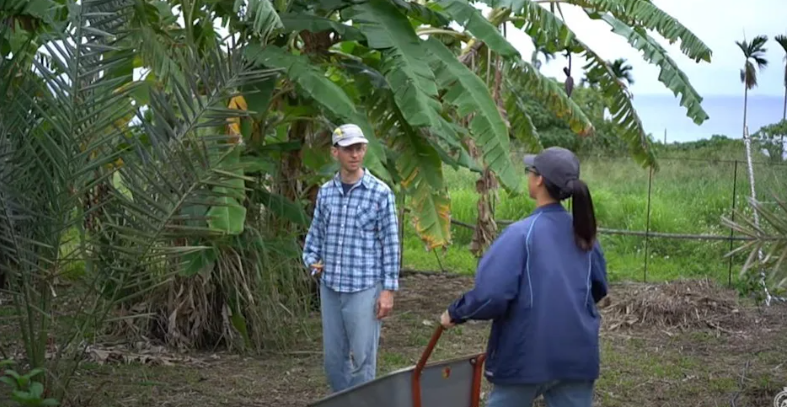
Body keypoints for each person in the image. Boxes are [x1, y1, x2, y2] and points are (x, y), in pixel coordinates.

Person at [439, 147, 608, 407]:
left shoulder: (521, 234)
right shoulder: (585, 235)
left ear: (538, 179)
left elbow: (491, 295)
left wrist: (456, 312)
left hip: (525, 357)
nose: (528, 175)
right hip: (577, 357)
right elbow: (598, 288)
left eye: (530, 171)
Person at [302, 123, 400, 393]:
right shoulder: (326, 193)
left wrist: (388, 291)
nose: (355, 154)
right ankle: (341, 400)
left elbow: (391, 245)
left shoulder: (380, 194)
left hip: (364, 287)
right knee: (334, 360)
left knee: (364, 360)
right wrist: (313, 265)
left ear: (365, 150)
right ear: (335, 153)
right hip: (331, 287)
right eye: (348, 149)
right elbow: (315, 238)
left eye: (359, 148)